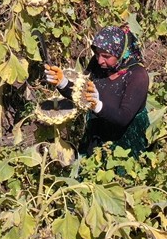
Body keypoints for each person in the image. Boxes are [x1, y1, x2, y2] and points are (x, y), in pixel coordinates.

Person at [45, 25, 150, 156]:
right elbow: (82, 95)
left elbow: (123, 118)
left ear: (120, 53)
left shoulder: (137, 75)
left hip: (126, 142)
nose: (100, 60)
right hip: (97, 133)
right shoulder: (97, 65)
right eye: (97, 54)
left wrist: (97, 105)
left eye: (106, 56)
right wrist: (62, 83)